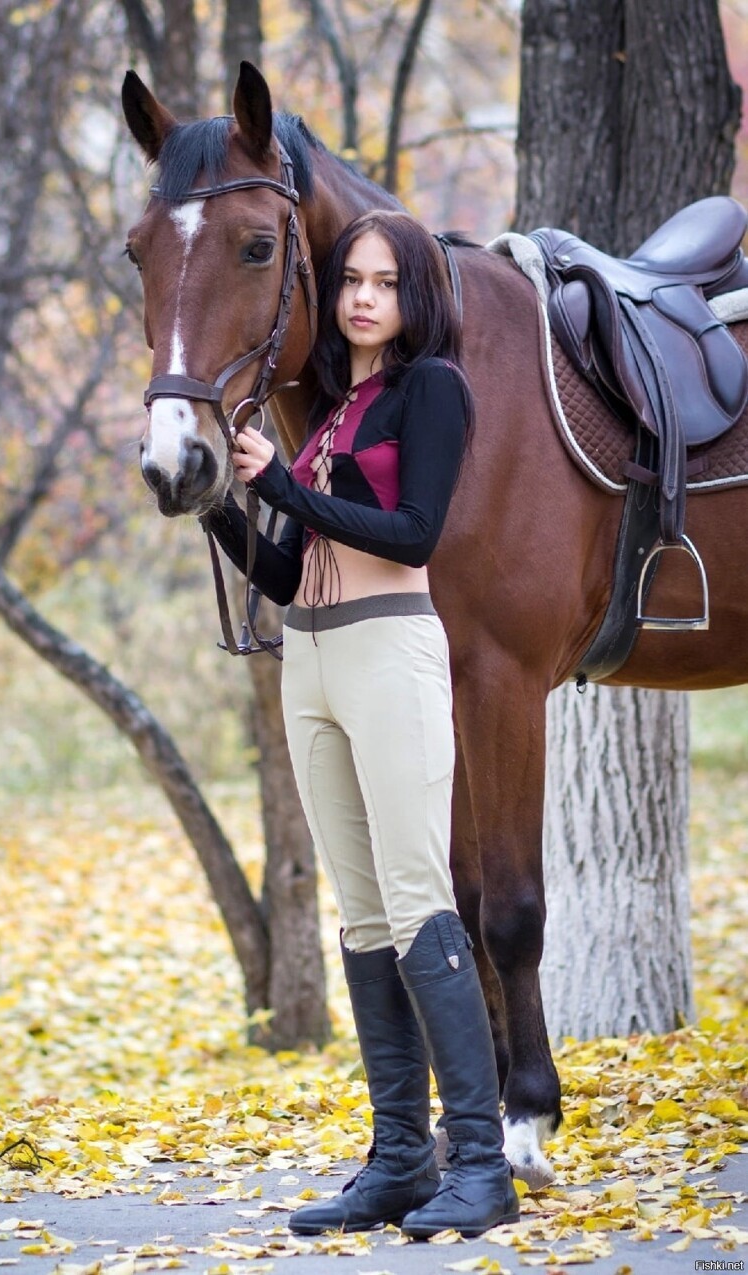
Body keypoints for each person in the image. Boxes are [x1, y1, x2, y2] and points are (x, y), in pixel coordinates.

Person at [203, 209, 519, 1240]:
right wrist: (221, 504)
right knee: (364, 914)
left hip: (389, 649)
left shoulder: (434, 390)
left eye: (385, 281)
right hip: (311, 657)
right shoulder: (334, 413)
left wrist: (282, 483)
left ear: (413, 293)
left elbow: (413, 532)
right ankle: (398, 1161)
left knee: (419, 897)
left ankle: (480, 1164)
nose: (364, 298)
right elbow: (287, 570)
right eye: (351, 281)